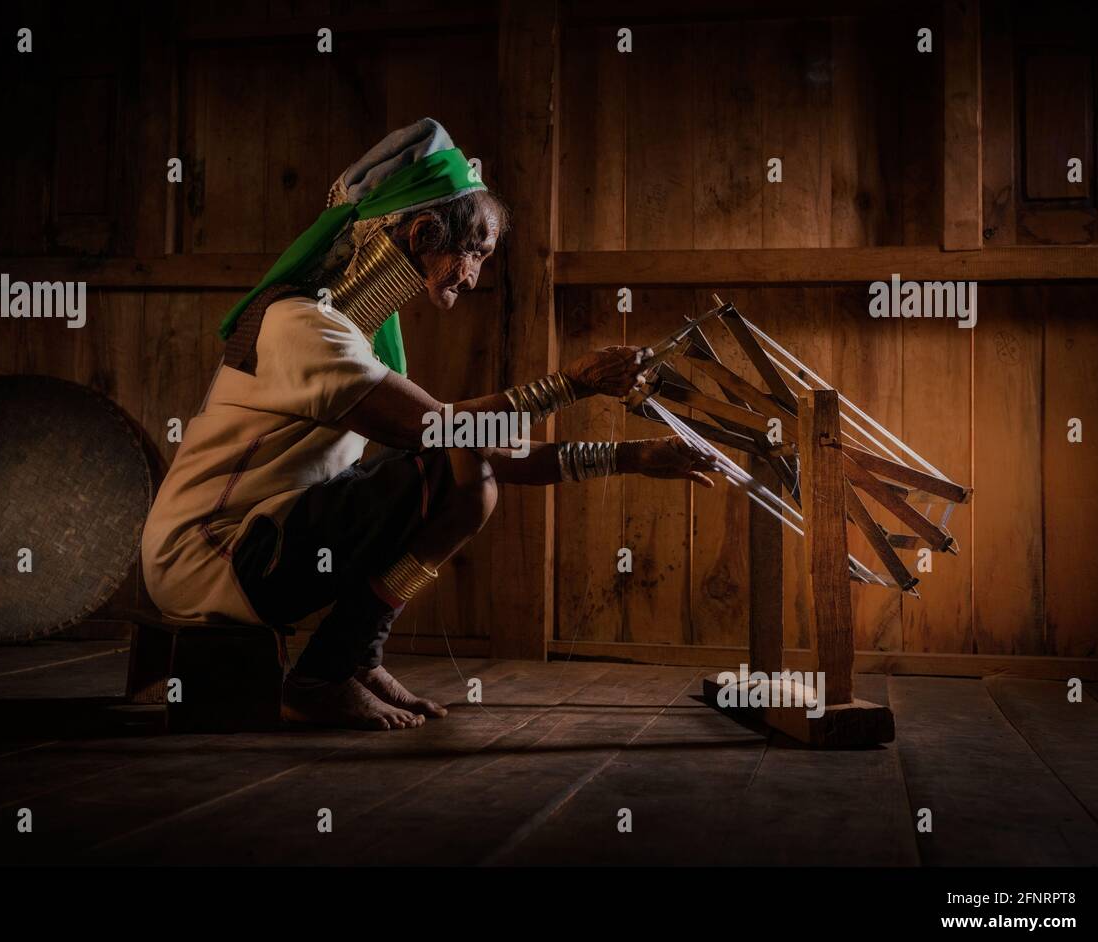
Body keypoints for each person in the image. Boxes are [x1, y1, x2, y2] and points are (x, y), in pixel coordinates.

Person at [141, 118, 716, 731]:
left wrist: (632, 457)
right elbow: (446, 434)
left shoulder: (341, 330)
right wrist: (573, 383)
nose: (472, 276)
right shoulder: (300, 327)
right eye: (472, 252)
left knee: (467, 474)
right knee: (459, 476)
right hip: (209, 557)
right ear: (420, 232)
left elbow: (478, 447)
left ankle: (351, 659)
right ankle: (327, 673)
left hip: (261, 542)